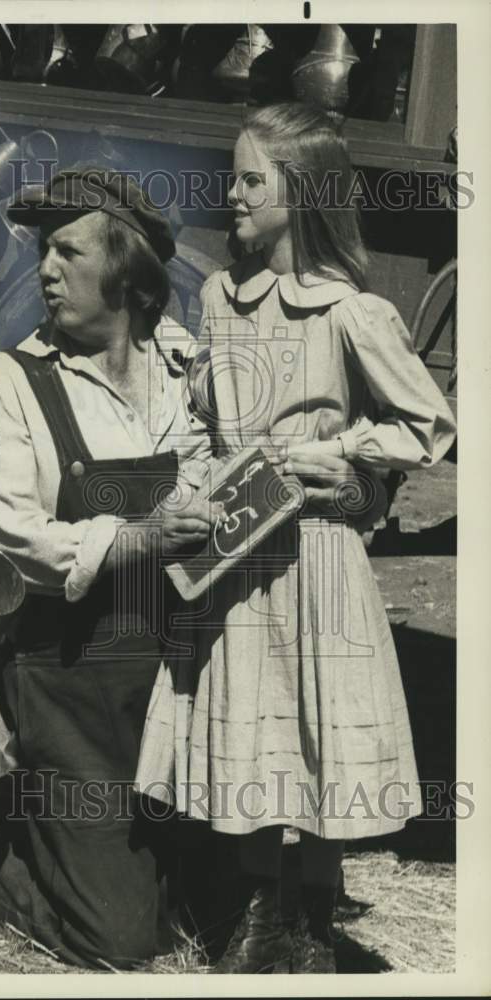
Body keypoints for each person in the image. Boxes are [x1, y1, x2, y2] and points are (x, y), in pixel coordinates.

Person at [134, 101, 458, 974]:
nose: (232, 195)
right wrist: (195, 491)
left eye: (252, 180)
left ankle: (306, 922)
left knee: (310, 722)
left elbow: (429, 426)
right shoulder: (218, 298)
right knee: (249, 726)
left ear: (302, 193)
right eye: (233, 176)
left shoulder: (349, 314)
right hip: (235, 546)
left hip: (312, 556)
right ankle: (254, 915)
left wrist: (340, 452)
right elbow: (200, 423)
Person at [0, 166, 226, 969]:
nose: (46, 269)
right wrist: (138, 539)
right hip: (68, 669)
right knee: (121, 944)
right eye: (43, 252)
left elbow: (214, 470)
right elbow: (12, 532)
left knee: (201, 913)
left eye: (68, 251)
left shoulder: (181, 369)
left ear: (126, 270)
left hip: (170, 663)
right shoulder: (21, 380)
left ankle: (39, 820)